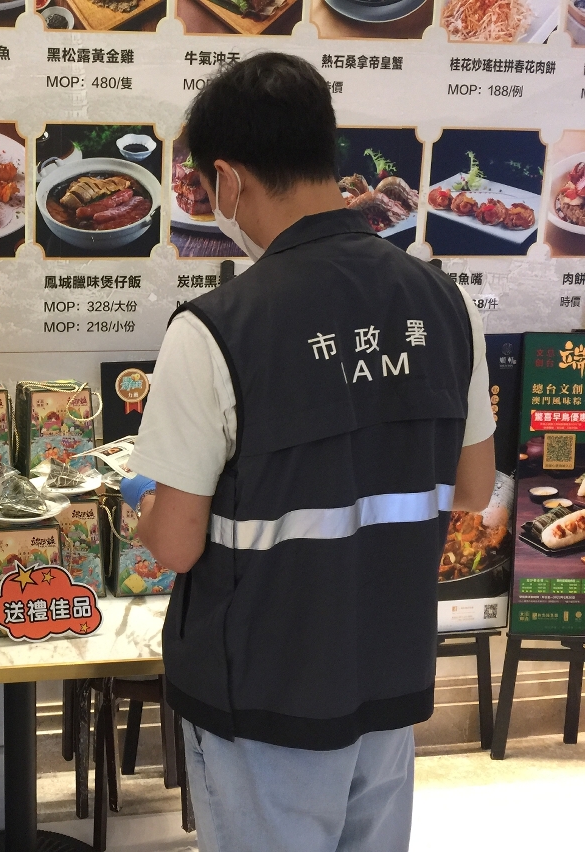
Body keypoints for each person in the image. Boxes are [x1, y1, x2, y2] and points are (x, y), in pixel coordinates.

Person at [121, 54, 497, 852]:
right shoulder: (444, 302)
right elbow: (471, 487)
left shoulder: (215, 328)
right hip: (389, 675)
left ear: (228, 180)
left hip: (264, 694)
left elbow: (176, 544)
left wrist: (144, 509)